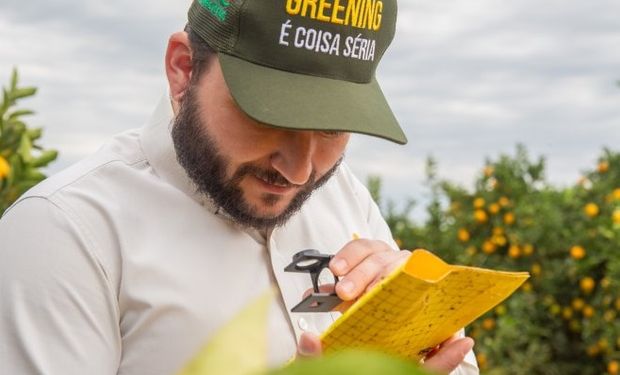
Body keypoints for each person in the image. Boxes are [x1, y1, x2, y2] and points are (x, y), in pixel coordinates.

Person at [0, 0, 478, 374]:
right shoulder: (67, 234)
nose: (299, 171)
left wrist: (421, 328)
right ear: (184, 69)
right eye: (270, 114)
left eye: (333, 128)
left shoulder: (344, 196)